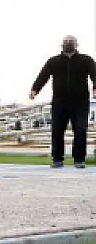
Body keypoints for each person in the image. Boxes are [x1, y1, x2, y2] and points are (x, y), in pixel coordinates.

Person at [29, 34, 96, 168]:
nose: (69, 43)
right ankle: (57, 159)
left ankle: (79, 160)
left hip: (80, 103)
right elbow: (43, 76)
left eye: (71, 41)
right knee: (57, 130)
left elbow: (95, 74)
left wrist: (95, 88)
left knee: (81, 130)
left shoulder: (86, 60)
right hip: (60, 102)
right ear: (62, 45)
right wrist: (34, 89)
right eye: (66, 41)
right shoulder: (53, 61)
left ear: (77, 45)